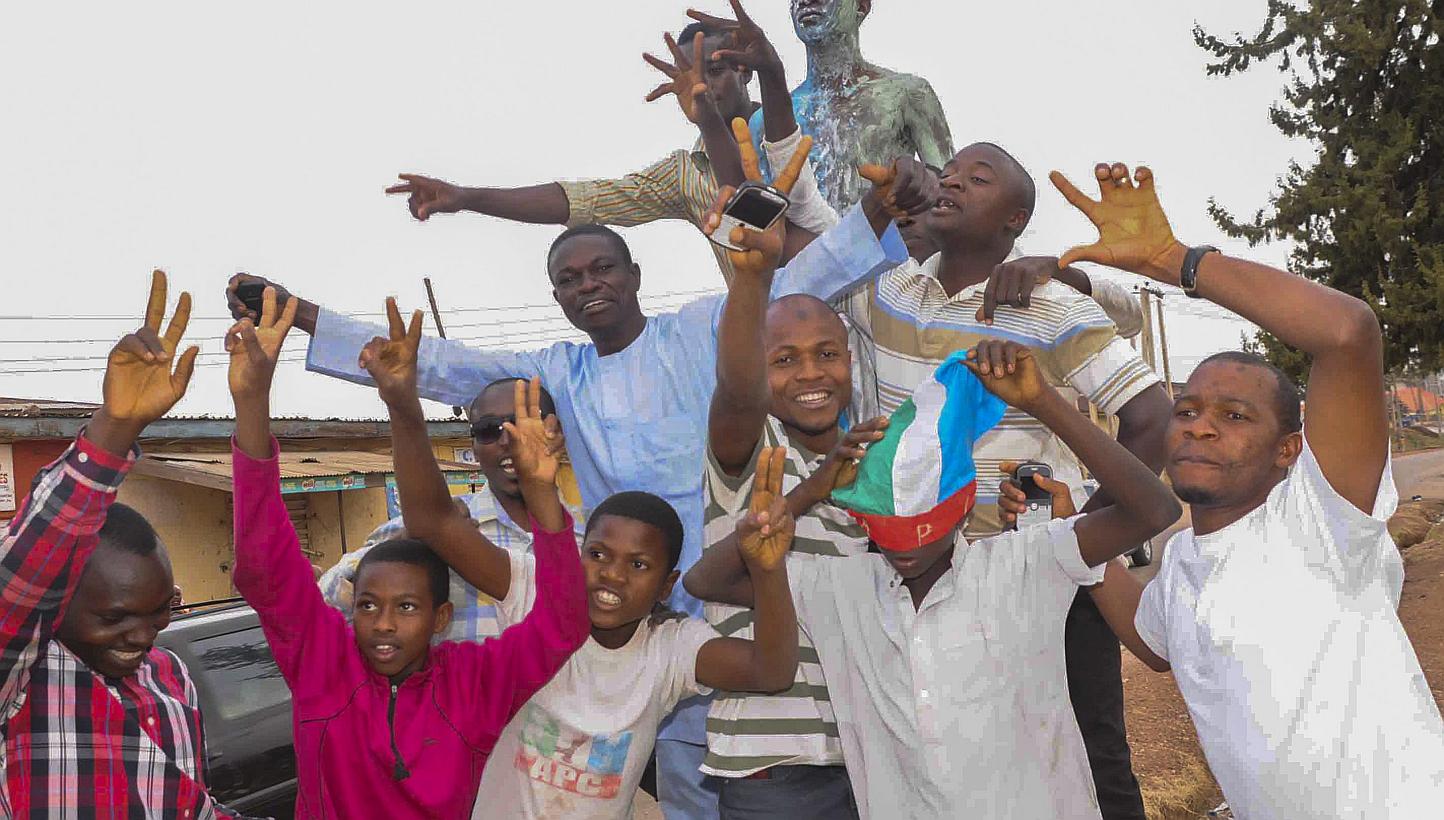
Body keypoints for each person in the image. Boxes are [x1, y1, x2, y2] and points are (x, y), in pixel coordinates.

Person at [226, 134, 928, 820]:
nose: (588, 284)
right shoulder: (557, 373)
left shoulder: (698, 330)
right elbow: (432, 364)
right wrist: (301, 316)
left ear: (634, 276)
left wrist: (879, 209)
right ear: (557, 297)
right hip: (624, 628)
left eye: (602, 268)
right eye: (569, 279)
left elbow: (794, 284)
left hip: (735, 607)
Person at [1042, 160, 1444, 816]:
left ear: (1289, 450)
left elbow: (1348, 333)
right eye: (1188, 409)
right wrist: (1073, 535)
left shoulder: (1320, 520)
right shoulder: (1182, 563)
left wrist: (1177, 262)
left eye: (1234, 416)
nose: (1199, 427)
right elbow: (1154, 642)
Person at [686, 339, 1182, 819]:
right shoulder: (842, 590)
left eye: (921, 530)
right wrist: (799, 501)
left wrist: (1041, 402)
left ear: (961, 510)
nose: (904, 551)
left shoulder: (1026, 563)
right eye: (888, 531)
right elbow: (707, 581)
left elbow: (1154, 510)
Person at [363, 301, 801, 819]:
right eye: (597, 554)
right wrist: (402, 405)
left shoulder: (670, 650)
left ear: (667, 586)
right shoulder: (533, 589)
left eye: (639, 565)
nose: (612, 574)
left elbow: (771, 669)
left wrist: (768, 570)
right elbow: (432, 520)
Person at [836, 140, 1170, 818]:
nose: (953, 181)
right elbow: (803, 263)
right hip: (920, 573)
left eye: (978, 178)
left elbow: (1153, 417)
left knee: (1090, 752)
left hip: (1037, 571)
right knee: (946, 755)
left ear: (1015, 219)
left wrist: (1083, 530)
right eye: (950, 172)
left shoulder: (1050, 304)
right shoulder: (889, 291)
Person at [226, 289, 589, 818]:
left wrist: (540, 491)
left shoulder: (475, 683)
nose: (384, 624)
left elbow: (563, 623)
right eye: (368, 605)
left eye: (407, 607)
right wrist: (252, 402)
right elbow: (265, 568)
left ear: (442, 618)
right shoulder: (324, 663)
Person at [0, 271, 262, 817]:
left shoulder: (171, 675)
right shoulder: (22, 684)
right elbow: (22, 576)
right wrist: (114, 428)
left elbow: (190, 806)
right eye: (115, 617)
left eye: (159, 611)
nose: (142, 635)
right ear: (57, 603)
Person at [688, 186, 890, 816]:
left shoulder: (874, 464)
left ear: (850, 360)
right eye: (784, 360)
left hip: (869, 760)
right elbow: (738, 392)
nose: (809, 374)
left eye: (826, 354)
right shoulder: (752, 450)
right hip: (773, 771)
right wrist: (753, 281)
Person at [383, 7, 833, 282]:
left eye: (714, 71)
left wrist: (772, 73)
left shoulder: (809, 120)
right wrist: (468, 197)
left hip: (856, 293)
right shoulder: (686, 172)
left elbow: (791, 219)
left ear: (744, 71)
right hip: (772, 337)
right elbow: (587, 200)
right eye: (691, 78)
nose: (703, 87)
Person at [318, 378, 586, 642]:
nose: (507, 439)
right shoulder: (431, 527)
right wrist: (408, 547)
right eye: (488, 429)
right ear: (474, 448)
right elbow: (324, 610)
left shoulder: (593, 536)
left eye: (523, 423)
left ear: (557, 433)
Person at [747, 0, 953, 210]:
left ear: (861, 6)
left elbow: (947, 196)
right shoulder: (764, 122)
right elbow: (762, 217)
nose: (806, 1)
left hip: (885, 229)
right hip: (806, 231)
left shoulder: (906, 94)